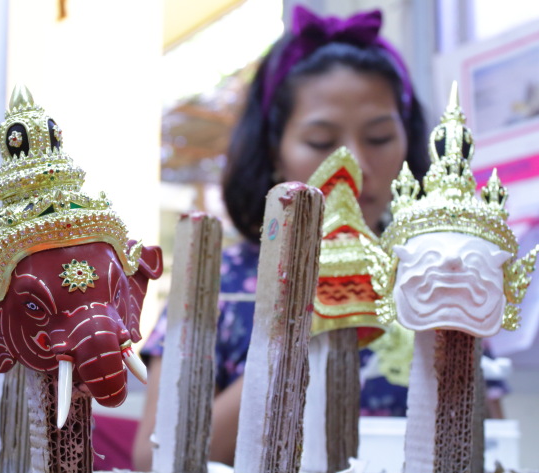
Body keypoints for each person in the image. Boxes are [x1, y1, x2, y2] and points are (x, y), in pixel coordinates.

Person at [132, 5, 430, 469]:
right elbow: (152, 458)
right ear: (275, 151)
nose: (353, 167)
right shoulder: (217, 284)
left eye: (378, 137)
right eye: (320, 142)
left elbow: (490, 439)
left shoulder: (431, 273)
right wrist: (310, 314)